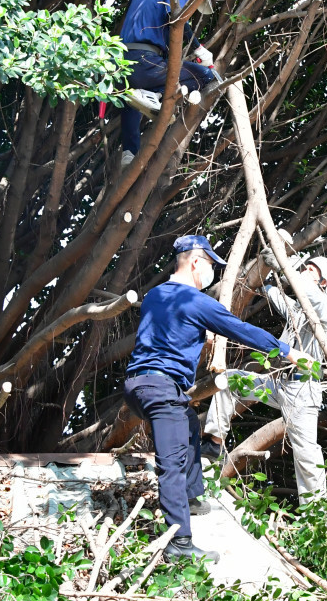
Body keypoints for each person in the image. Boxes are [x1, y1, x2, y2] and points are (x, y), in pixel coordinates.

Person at [124, 235, 312, 562]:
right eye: (211, 264)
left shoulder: (155, 295)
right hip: (161, 388)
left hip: (137, 387)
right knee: (170, 463)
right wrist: (288, 351)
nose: (212, 272)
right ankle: (179, 545)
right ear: (195, 261)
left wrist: (202, 332)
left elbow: (170, 329)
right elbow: (241, 330)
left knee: (189, 427)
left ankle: (194, 497)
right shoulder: (197, 302)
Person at [202, 253, 327, 504]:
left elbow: (301, 289)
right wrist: (263, 273)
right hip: (280, 382)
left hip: (303, 390)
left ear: (323, 283)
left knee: (306, 454)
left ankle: (316, 515)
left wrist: (284, 265)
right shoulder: (299, 310)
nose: (304, 270)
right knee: (231, 381)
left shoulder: (323, 308)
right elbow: (278, 296)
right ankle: (213, 443)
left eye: (310, 269)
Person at [117, 0, 222, 167]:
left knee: (131, 99)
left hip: (121, 63)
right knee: (205, 75)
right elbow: (177, 18)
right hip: (145, 61)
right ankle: (154, 94)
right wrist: (199, 49)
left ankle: (129, 152)